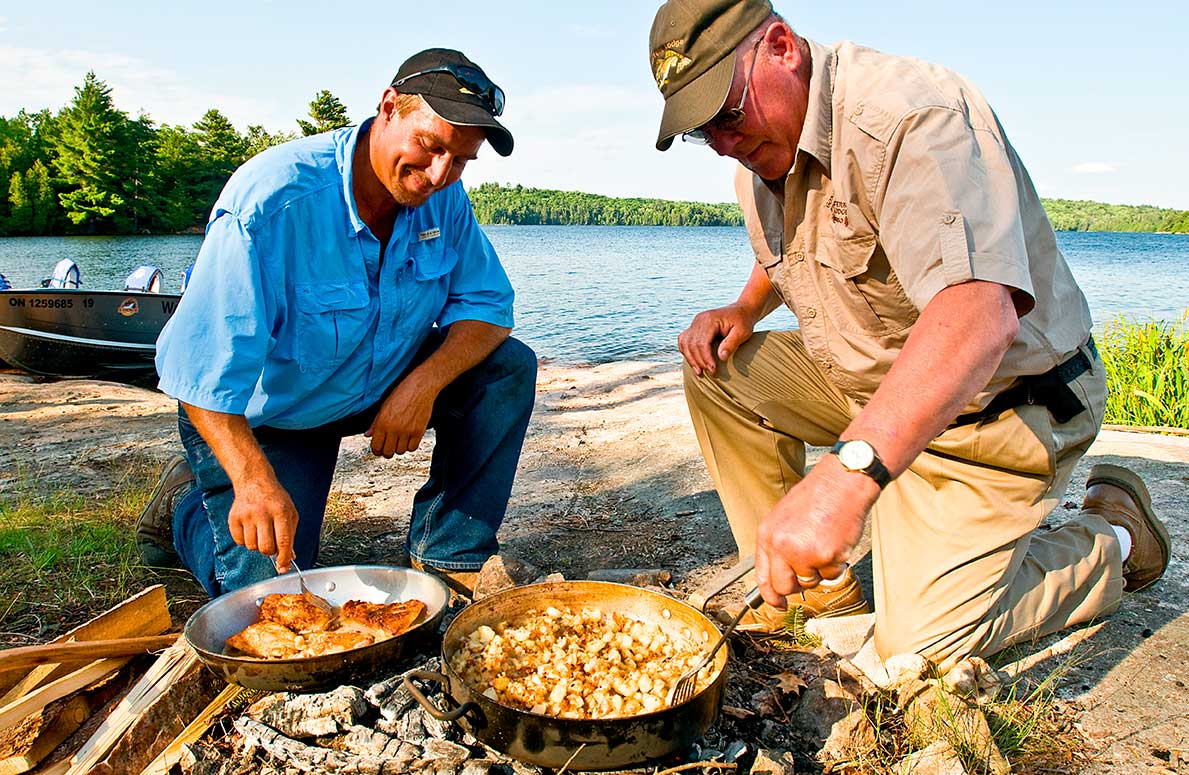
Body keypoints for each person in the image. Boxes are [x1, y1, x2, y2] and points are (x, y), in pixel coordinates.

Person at [647, 0, 1171, 669]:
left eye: (725, 113)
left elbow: (979, 311)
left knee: (915, 648)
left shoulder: (912, 116)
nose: (722, 142)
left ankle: (1113, 540)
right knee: (718, 368)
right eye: (700, 130)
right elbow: (809, 237)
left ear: (780, 46)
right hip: (875, 387)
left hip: (995, 410)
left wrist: (843, 480)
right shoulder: (763, 154)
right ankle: (815, 595)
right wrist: (745, 308)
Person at [136, 48, 537, 598]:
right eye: (431, 145)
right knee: (272, 598)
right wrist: (252, 478)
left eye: (461, 161)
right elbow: (198, 373)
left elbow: (489, 311)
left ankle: (449, 555)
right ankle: (182, 507)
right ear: (389, 107)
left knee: (506, 369)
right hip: (266, 418)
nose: (440, 174)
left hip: (373, 385)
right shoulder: (271, 203)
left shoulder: (444, 197)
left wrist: (423, 384)